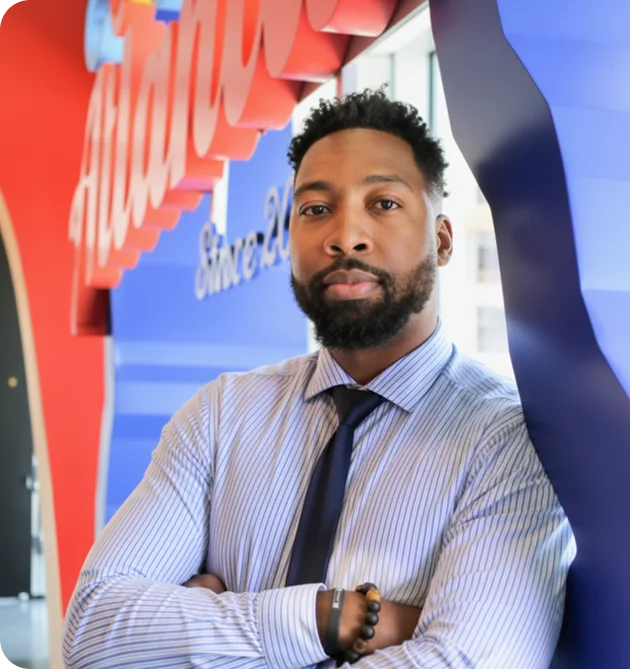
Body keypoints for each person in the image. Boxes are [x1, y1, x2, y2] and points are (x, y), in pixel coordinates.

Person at [62, 88, 575, 668]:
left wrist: (207, 630)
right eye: (315, 209)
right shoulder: (220, 417)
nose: (345, 236)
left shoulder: (507, 441)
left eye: (384, 203)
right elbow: (93, 632)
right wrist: (333, 617)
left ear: (442, 240)